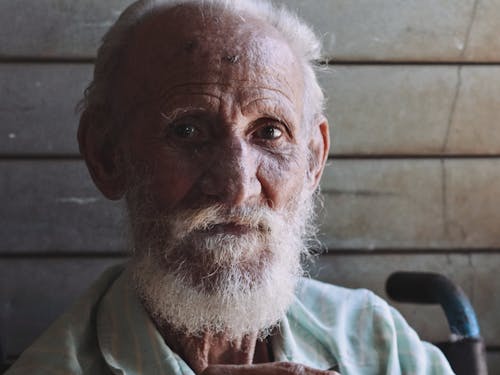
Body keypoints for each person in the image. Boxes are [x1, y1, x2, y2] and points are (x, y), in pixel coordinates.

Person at [6, 0, 455, 374]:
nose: (238, 187)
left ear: (314, 159)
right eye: (187, 132)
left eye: (269, 132)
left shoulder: (377, 339)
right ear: (107, 156)